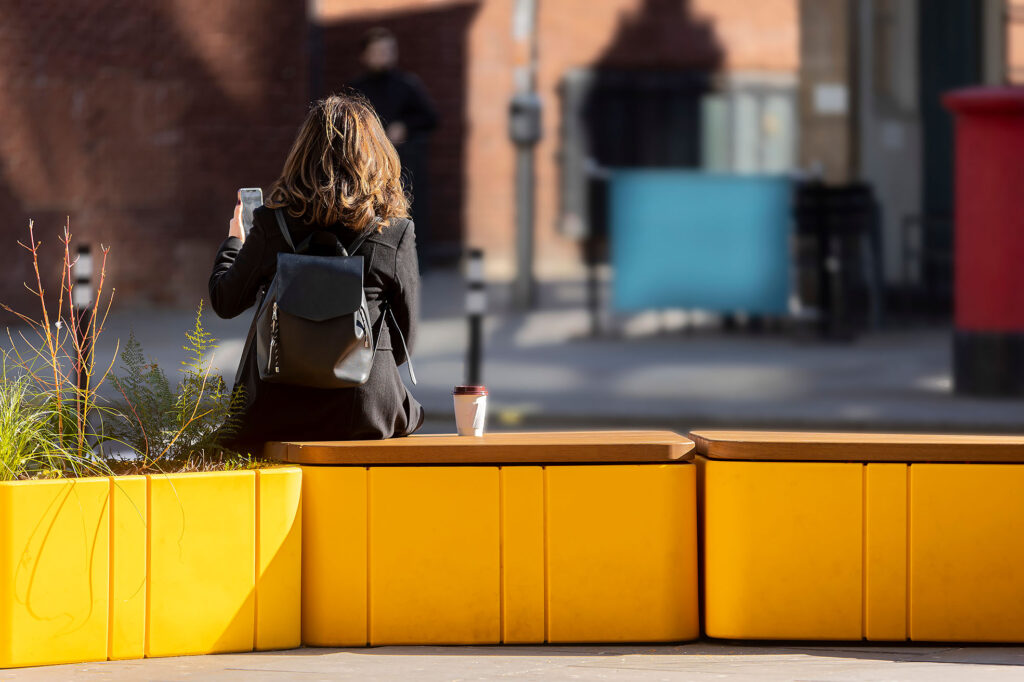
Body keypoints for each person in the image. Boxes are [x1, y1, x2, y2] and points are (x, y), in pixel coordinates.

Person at [208, 93, 424, 453]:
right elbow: (405, 345)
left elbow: (225, 300)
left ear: (303, 155)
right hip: (366, 411)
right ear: (376, 156)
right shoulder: (395, 232)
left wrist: (234, 239)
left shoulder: (271, 224)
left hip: (276, 409)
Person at [350, 27, 438, 271]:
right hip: (366, 167)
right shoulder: (356, 89)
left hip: (404, 166)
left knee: (407, 213)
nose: (384, 56)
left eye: (388, 50)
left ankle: (413, 265)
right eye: (378, 51)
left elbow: (430, 118)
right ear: (365, 55)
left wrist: (405, 127)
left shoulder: (407, 85)